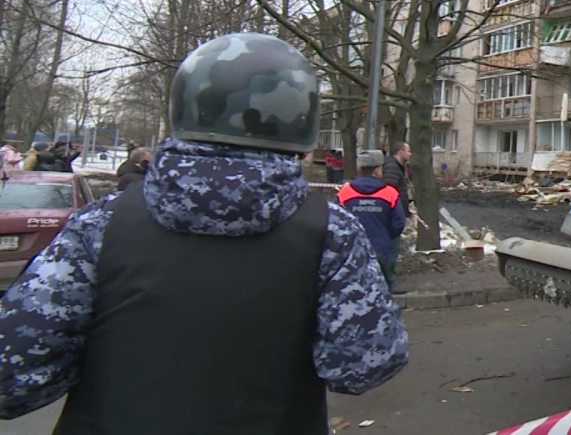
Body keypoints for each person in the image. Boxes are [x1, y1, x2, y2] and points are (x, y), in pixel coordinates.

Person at [0, 32, 408, 431]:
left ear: (186, 106)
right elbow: (366, 365)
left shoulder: (99, 225)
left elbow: (12, 377)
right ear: (300, 120)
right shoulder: (333, 234)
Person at [337, 150, 406, 292]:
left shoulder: (345, 191)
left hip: (352, 249)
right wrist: (387, 237)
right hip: (381, 247)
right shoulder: (390, 192)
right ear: (377, 170)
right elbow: (398, 223)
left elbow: (337, 221)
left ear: (360, 169)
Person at [383, 142, 414, 294]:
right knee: (391, 248)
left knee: (391, 248)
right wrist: (397, 211)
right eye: (408, 151)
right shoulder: (392, 167)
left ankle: (388, 279)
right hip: (391, 215)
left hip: (396, 212)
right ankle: (389, 282)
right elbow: (389, 191)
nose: (410, 154)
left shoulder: (398, 167)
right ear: (400, 152)